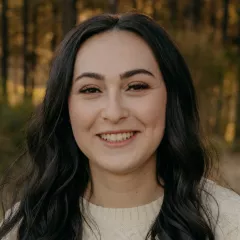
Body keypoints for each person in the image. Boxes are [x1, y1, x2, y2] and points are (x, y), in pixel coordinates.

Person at [0, 12, 240, 240]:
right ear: (65, 108)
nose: (114, 113)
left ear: (172, 99)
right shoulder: (23, 229)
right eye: (91, 89)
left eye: (136, 86)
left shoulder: (230, 224)